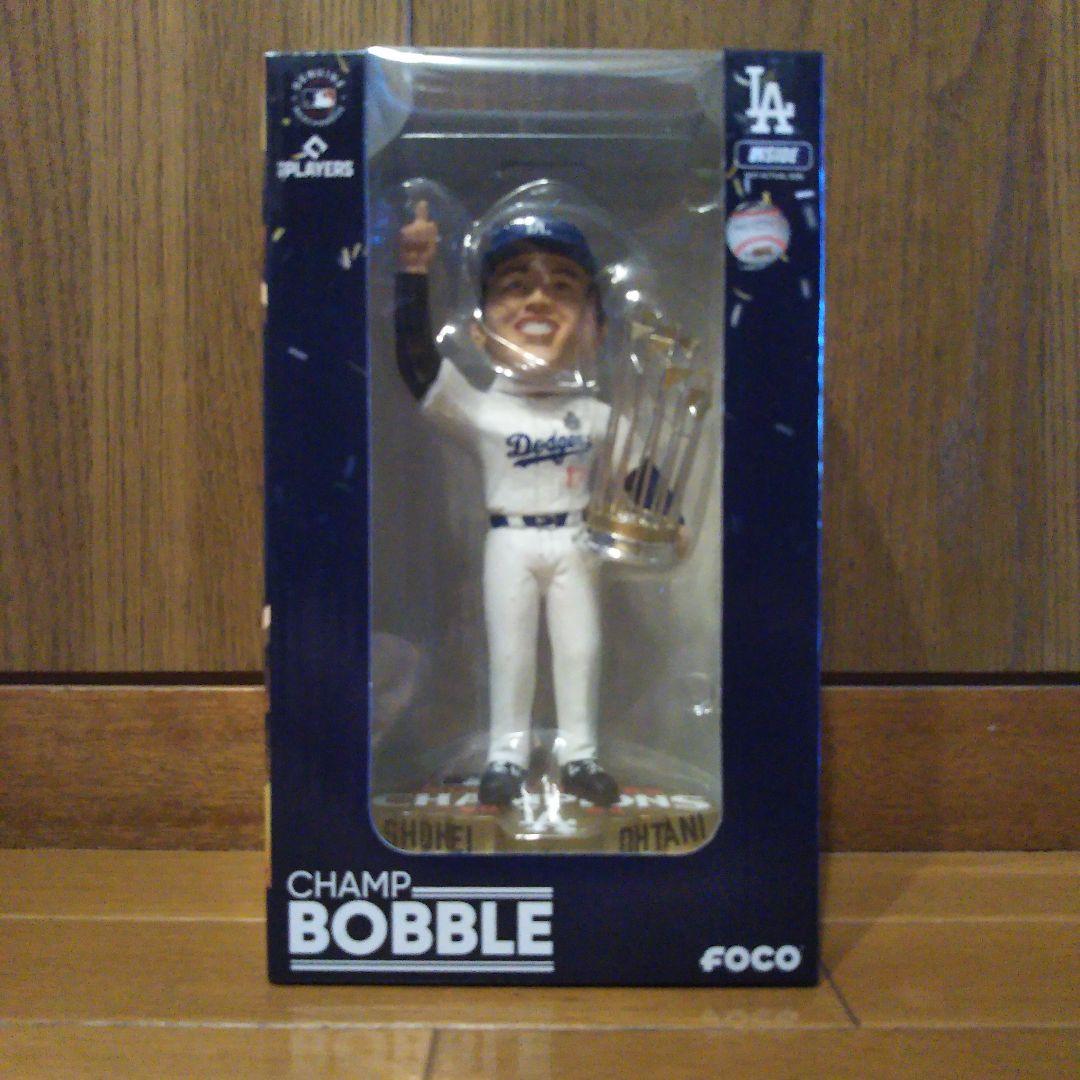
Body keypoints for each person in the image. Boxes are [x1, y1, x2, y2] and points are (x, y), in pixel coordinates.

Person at [394, 200, 620, 809]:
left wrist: (664, 524)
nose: (538, 302)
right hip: (510, 541)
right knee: (511, 651)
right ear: (479, 330)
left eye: (563, 288)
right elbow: (418, 365)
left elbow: (641, 480)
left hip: (577, 540)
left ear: (595, 327)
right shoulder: (484, 409)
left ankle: (580, 755)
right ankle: (506, 756)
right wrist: (413, 270)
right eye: (515, 287)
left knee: (581, 650)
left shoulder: (596, 415)